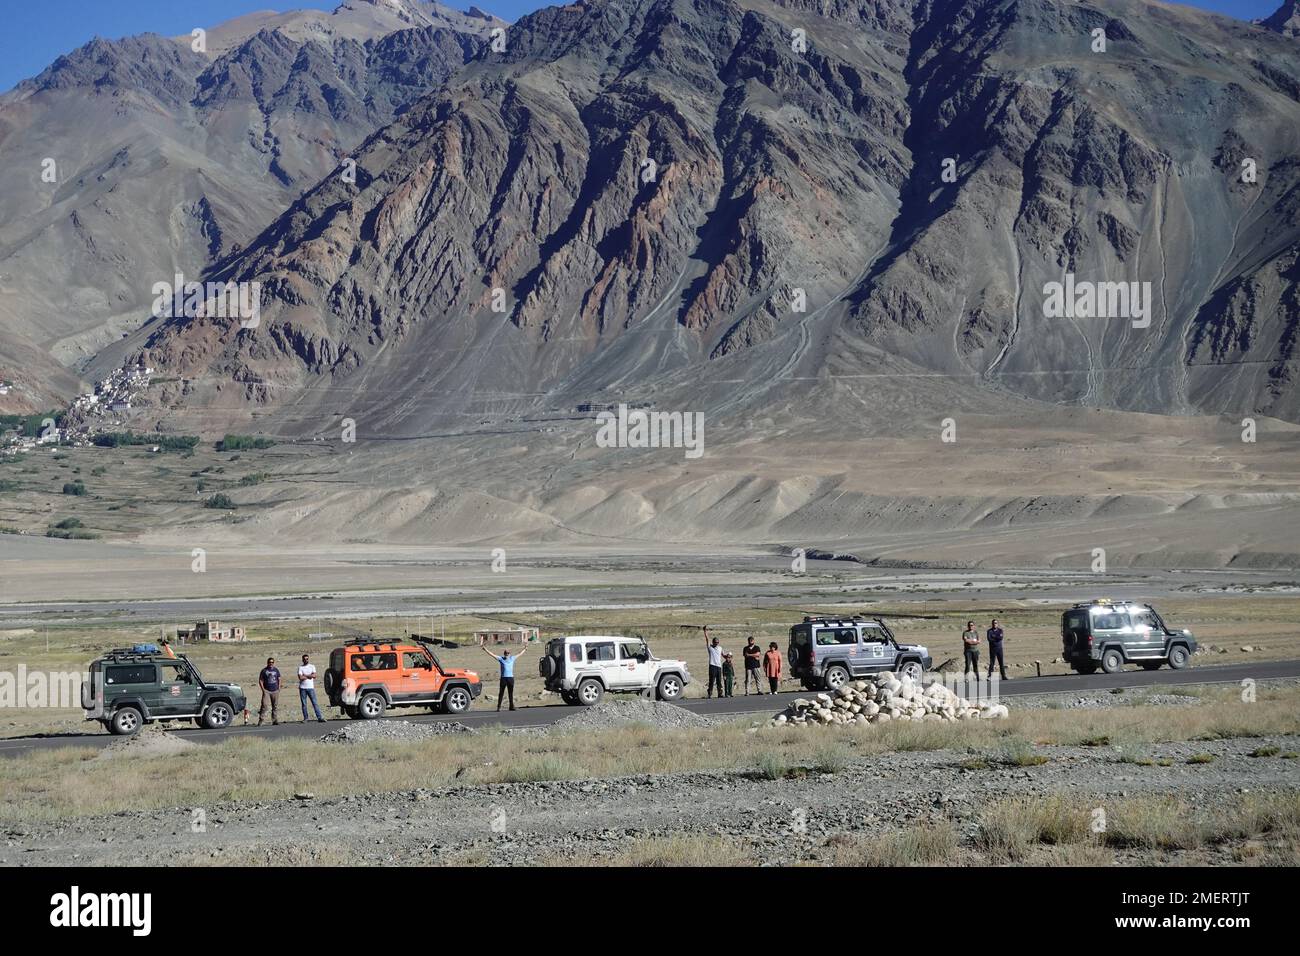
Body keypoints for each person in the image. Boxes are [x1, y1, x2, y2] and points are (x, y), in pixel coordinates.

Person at [481, 642, 527, 711]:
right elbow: (492, 654)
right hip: (503, 678)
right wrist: (485, 649)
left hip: (510, 678)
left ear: (509, 654)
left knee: (510, 693)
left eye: (508, 653)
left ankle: (511, 706)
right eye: (505, 653)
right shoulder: (501, 659)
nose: (506, 654)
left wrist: (525, 649)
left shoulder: (512, 658)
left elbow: (520, 654)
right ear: (504, 654)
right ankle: (498, 707)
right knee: (501, 693)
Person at [298, 653, 324, 723]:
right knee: (304, 704)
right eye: (304, 659)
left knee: (314, 703)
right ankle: (306, 718)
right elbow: (300, 677)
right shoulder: (300, 667)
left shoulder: (312, 666)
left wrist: (305, 675)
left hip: (310, 688)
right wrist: (309, 676)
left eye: (307, 659)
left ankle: (319, 717)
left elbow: (314, 676)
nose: (306, 660)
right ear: (302, 660)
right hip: (302, 688)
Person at [257, 657, 281, 725]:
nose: (271, 663)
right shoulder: (264, 670)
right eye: (270, 662)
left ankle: (274, 720)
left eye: (272, 662)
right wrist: (263, 690)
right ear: (267, 662)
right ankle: (261, 720)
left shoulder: (276, 670)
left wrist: (279, 688)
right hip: (267, 691)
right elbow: (260, 680)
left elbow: (279, 678)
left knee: (275, 706)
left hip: (275, 690)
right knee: (264, 705)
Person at [704, 633, 725, 698]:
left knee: (719, 681)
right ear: (713, 642)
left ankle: (720, 693)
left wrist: (728, 657)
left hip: (719, 666)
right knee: (711, 681)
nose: (716, 643)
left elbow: (723, 655)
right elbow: (707, 639)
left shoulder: (720, 648)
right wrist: (705, 632)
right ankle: (710, 693)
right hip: (712, 666)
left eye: (717, 642)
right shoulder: (710, 648)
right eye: (715, 642)